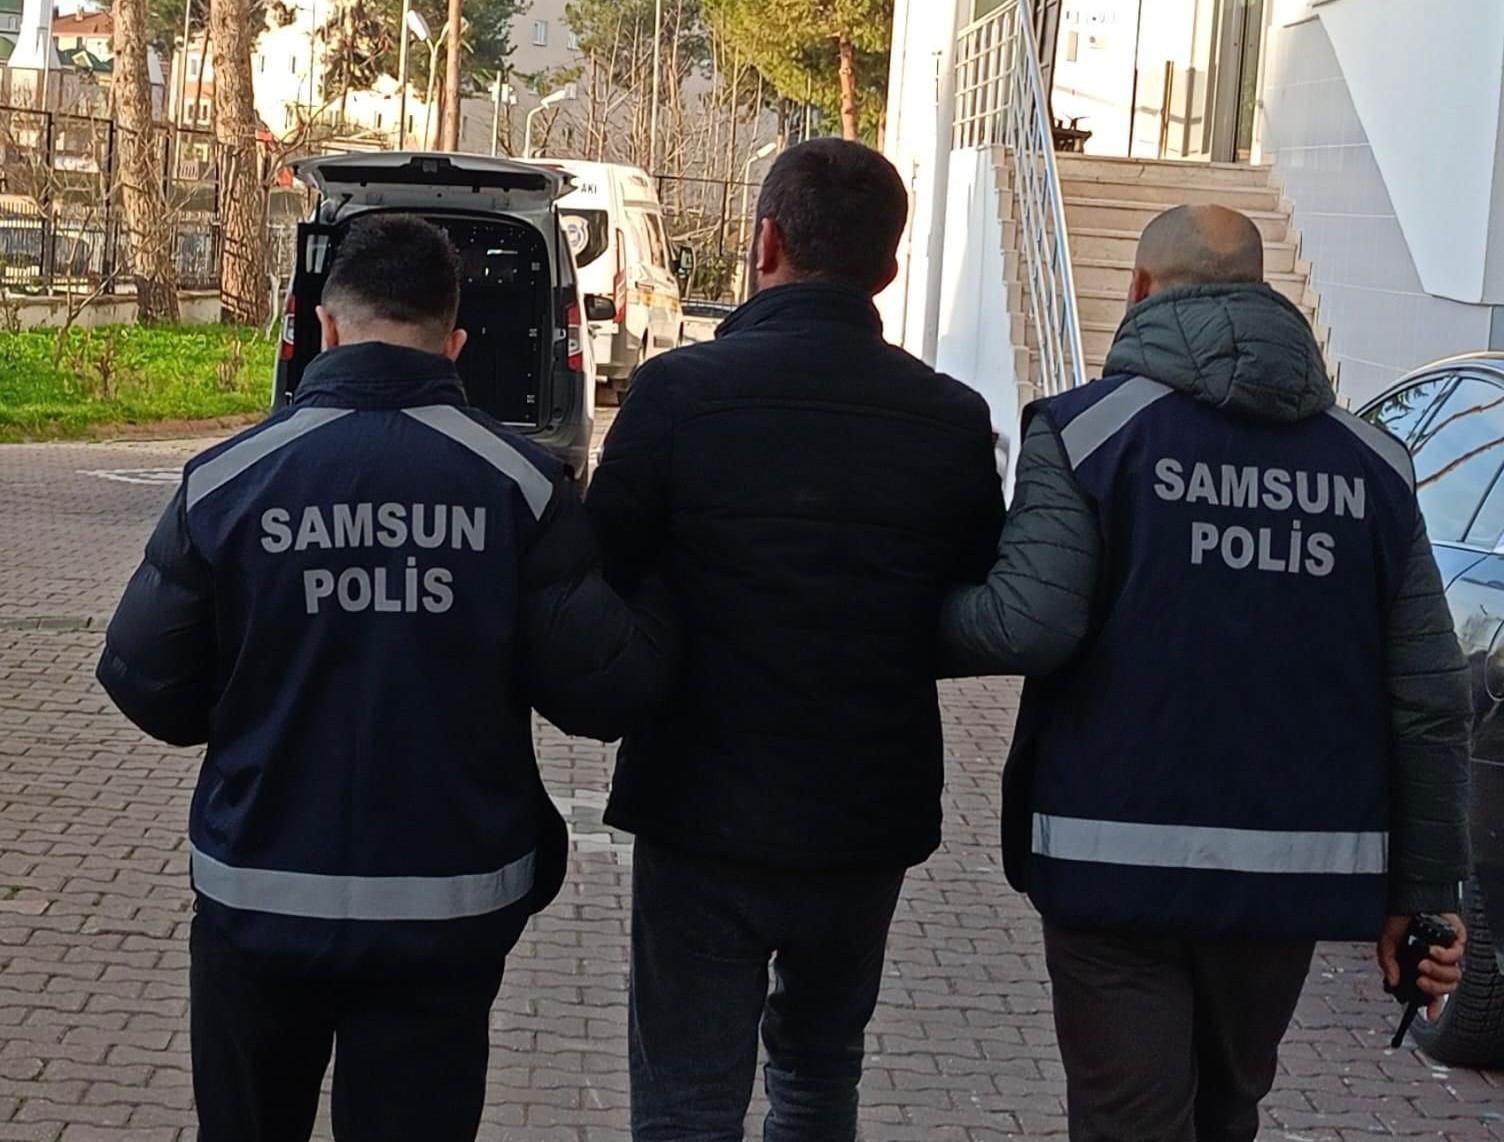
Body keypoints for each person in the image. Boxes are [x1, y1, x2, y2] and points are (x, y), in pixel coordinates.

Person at [97, 214, 676, 1142]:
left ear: (325, 327)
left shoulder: (227, 479)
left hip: (259, 893)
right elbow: (602, 691)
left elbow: (145, 682)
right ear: (454, 343)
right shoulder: (522, 485)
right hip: (445, 907)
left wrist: (263, 697)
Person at [942, 204, 1472, 1142]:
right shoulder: (1374, 466)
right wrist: (1423, 893)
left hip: (1109, 859)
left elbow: (1029, 625)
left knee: (1128, 1118)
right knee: (1229, 1110)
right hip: (1286, 877)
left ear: (1141, 289)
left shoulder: (1090, 434)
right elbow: (1430, 698)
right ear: (1264, 295)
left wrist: (899, 617)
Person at [585, 138, 1006, 1141]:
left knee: (686, 1096)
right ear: (888, 269)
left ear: (764, 241)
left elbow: (602, 567)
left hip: (700, 801)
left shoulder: (678, 393)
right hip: (865, 811)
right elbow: (972, 590)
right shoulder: (950, 417)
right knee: (820, 1077)